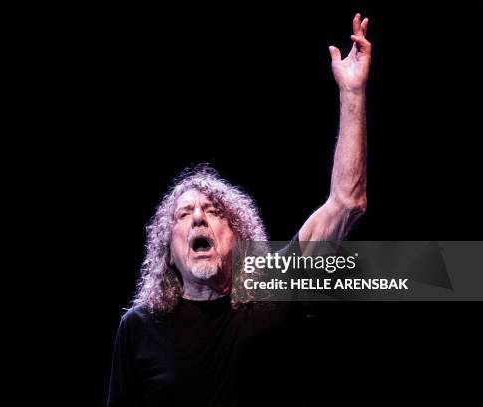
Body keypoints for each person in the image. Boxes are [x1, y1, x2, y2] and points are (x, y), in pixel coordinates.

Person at [108, 13, 371, 407]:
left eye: (214, 211)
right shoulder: (140, 327)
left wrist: (352, 95)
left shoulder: (273, 294)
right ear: (169, 249)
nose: (198, 216)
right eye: (184, 214)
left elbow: (347, 203)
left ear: (239, 236)